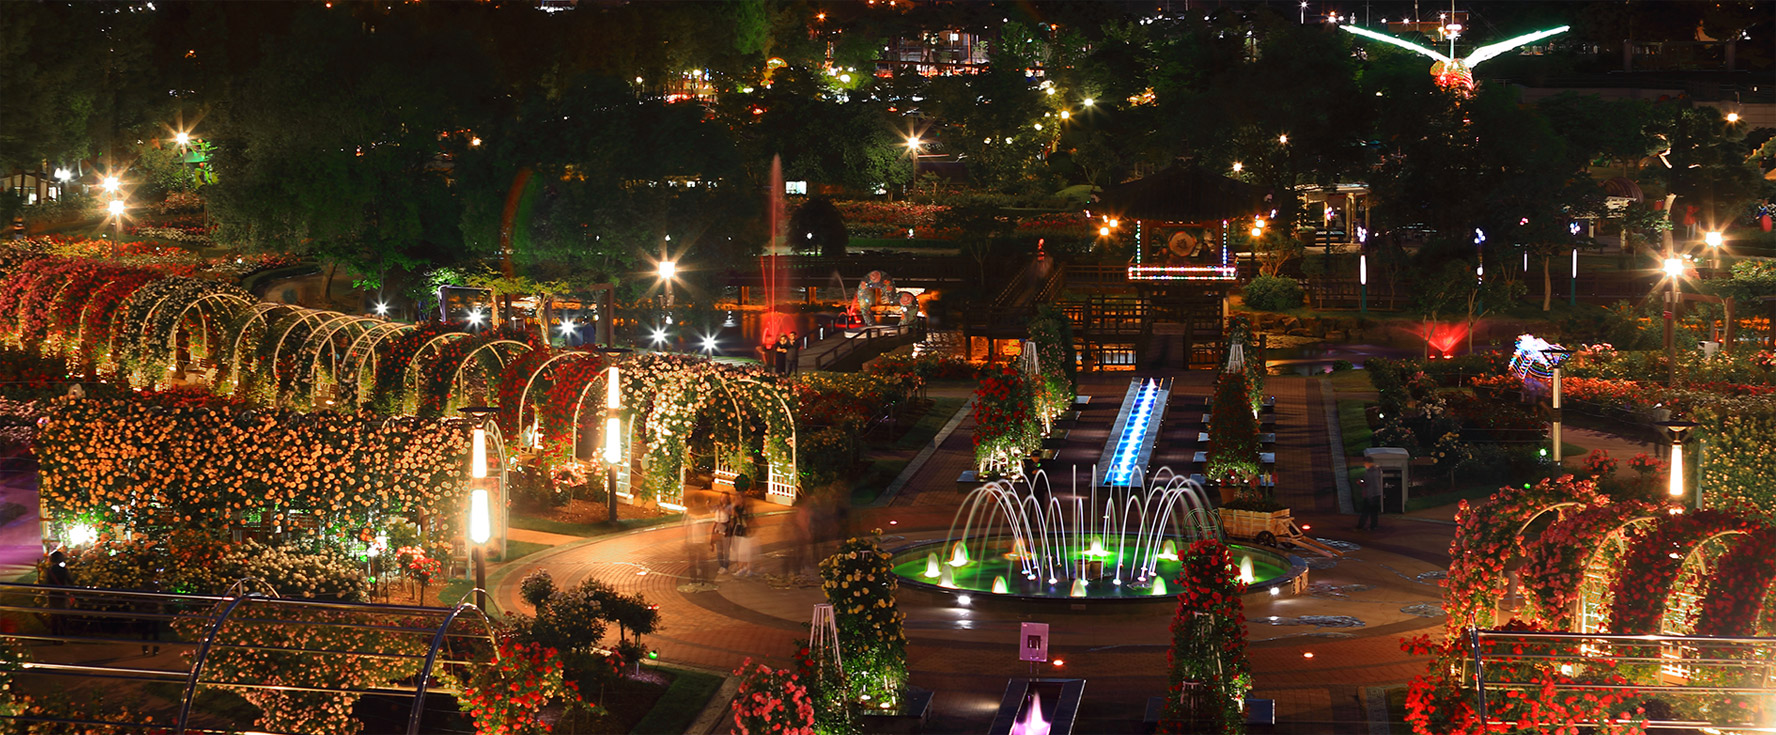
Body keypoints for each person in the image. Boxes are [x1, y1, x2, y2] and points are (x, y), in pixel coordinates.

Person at [42, 550, 74, 641]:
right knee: (63, 616)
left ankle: (54, 636)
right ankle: (63, 636)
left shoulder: (49, 571)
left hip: (53, 594)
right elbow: (71, 581)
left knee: (54, 617)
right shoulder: (64, 570)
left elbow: (46, 582)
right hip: (63, 594)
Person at [730, 494, 754, 577]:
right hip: (738, 530)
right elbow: (733, 519)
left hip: (745, 531)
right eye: (736, 499)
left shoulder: (746, 508)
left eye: (738, 499)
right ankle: (742, 567)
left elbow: (748, 518)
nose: (736, 501)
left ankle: (747, 568)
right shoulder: (736, 508)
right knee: (739, 551)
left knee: (745, 551)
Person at [1356, 458, 1383, 530]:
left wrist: (1360, 483)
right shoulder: (1377, 470)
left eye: (1365, 463)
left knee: (1365, 511)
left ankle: (1360, 526)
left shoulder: (1368, 473)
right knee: (1374, 512)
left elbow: (1367, 484)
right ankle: (1374, 526)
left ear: (1367, 463)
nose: (1364, 465)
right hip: (1377, 493)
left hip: (1370, 495)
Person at [711, 493, 733, 574]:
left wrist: (722, 509)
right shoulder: (717, 506)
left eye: (725, 497)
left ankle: (725, 566)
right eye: (722, 497)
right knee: (719, 549)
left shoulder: (730, 506)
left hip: (725, 528)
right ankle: (721, 565)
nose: (723, 499)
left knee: (726, 550)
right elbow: (710, 510)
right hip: (717, 528)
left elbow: (730, 514)